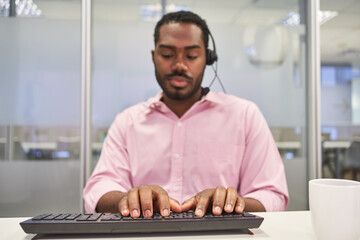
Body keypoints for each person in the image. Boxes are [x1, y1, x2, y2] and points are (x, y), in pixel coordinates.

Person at [83, 11, 289, 218]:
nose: (179, 65)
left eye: (191, 56)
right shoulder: (127, 122)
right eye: (167, 55)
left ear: (208, 59)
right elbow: (98, 189)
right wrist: (126, 199)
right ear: (154, 57)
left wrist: (236, 203)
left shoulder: (245, 116)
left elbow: (272, 195)